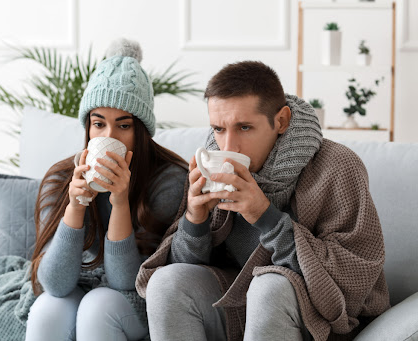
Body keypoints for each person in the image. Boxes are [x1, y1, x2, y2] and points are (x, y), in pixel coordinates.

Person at [136, 61, 390, 341]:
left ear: (281, 121)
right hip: (239, 307)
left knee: (269, 286)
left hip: (316, 317)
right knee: (166, 283)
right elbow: (186, 265)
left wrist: (265, 217)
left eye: (244, 127)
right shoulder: (210, 163)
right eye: (219, 129)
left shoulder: (337, 166)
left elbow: (354, 277)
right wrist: (195, 221)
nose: (228, 146)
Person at [26, 39, 187, 341]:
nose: (109, 135)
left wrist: (120, 203)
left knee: (98, 306)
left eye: (123, 126)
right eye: (98, 124)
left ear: (141, 131)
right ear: (87, 128)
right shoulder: (62, 178)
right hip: (79, 284)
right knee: (48, 308)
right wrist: (76, 205)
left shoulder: (168, 181)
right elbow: (55, 284)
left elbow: (125, 281)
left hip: (136, 296)